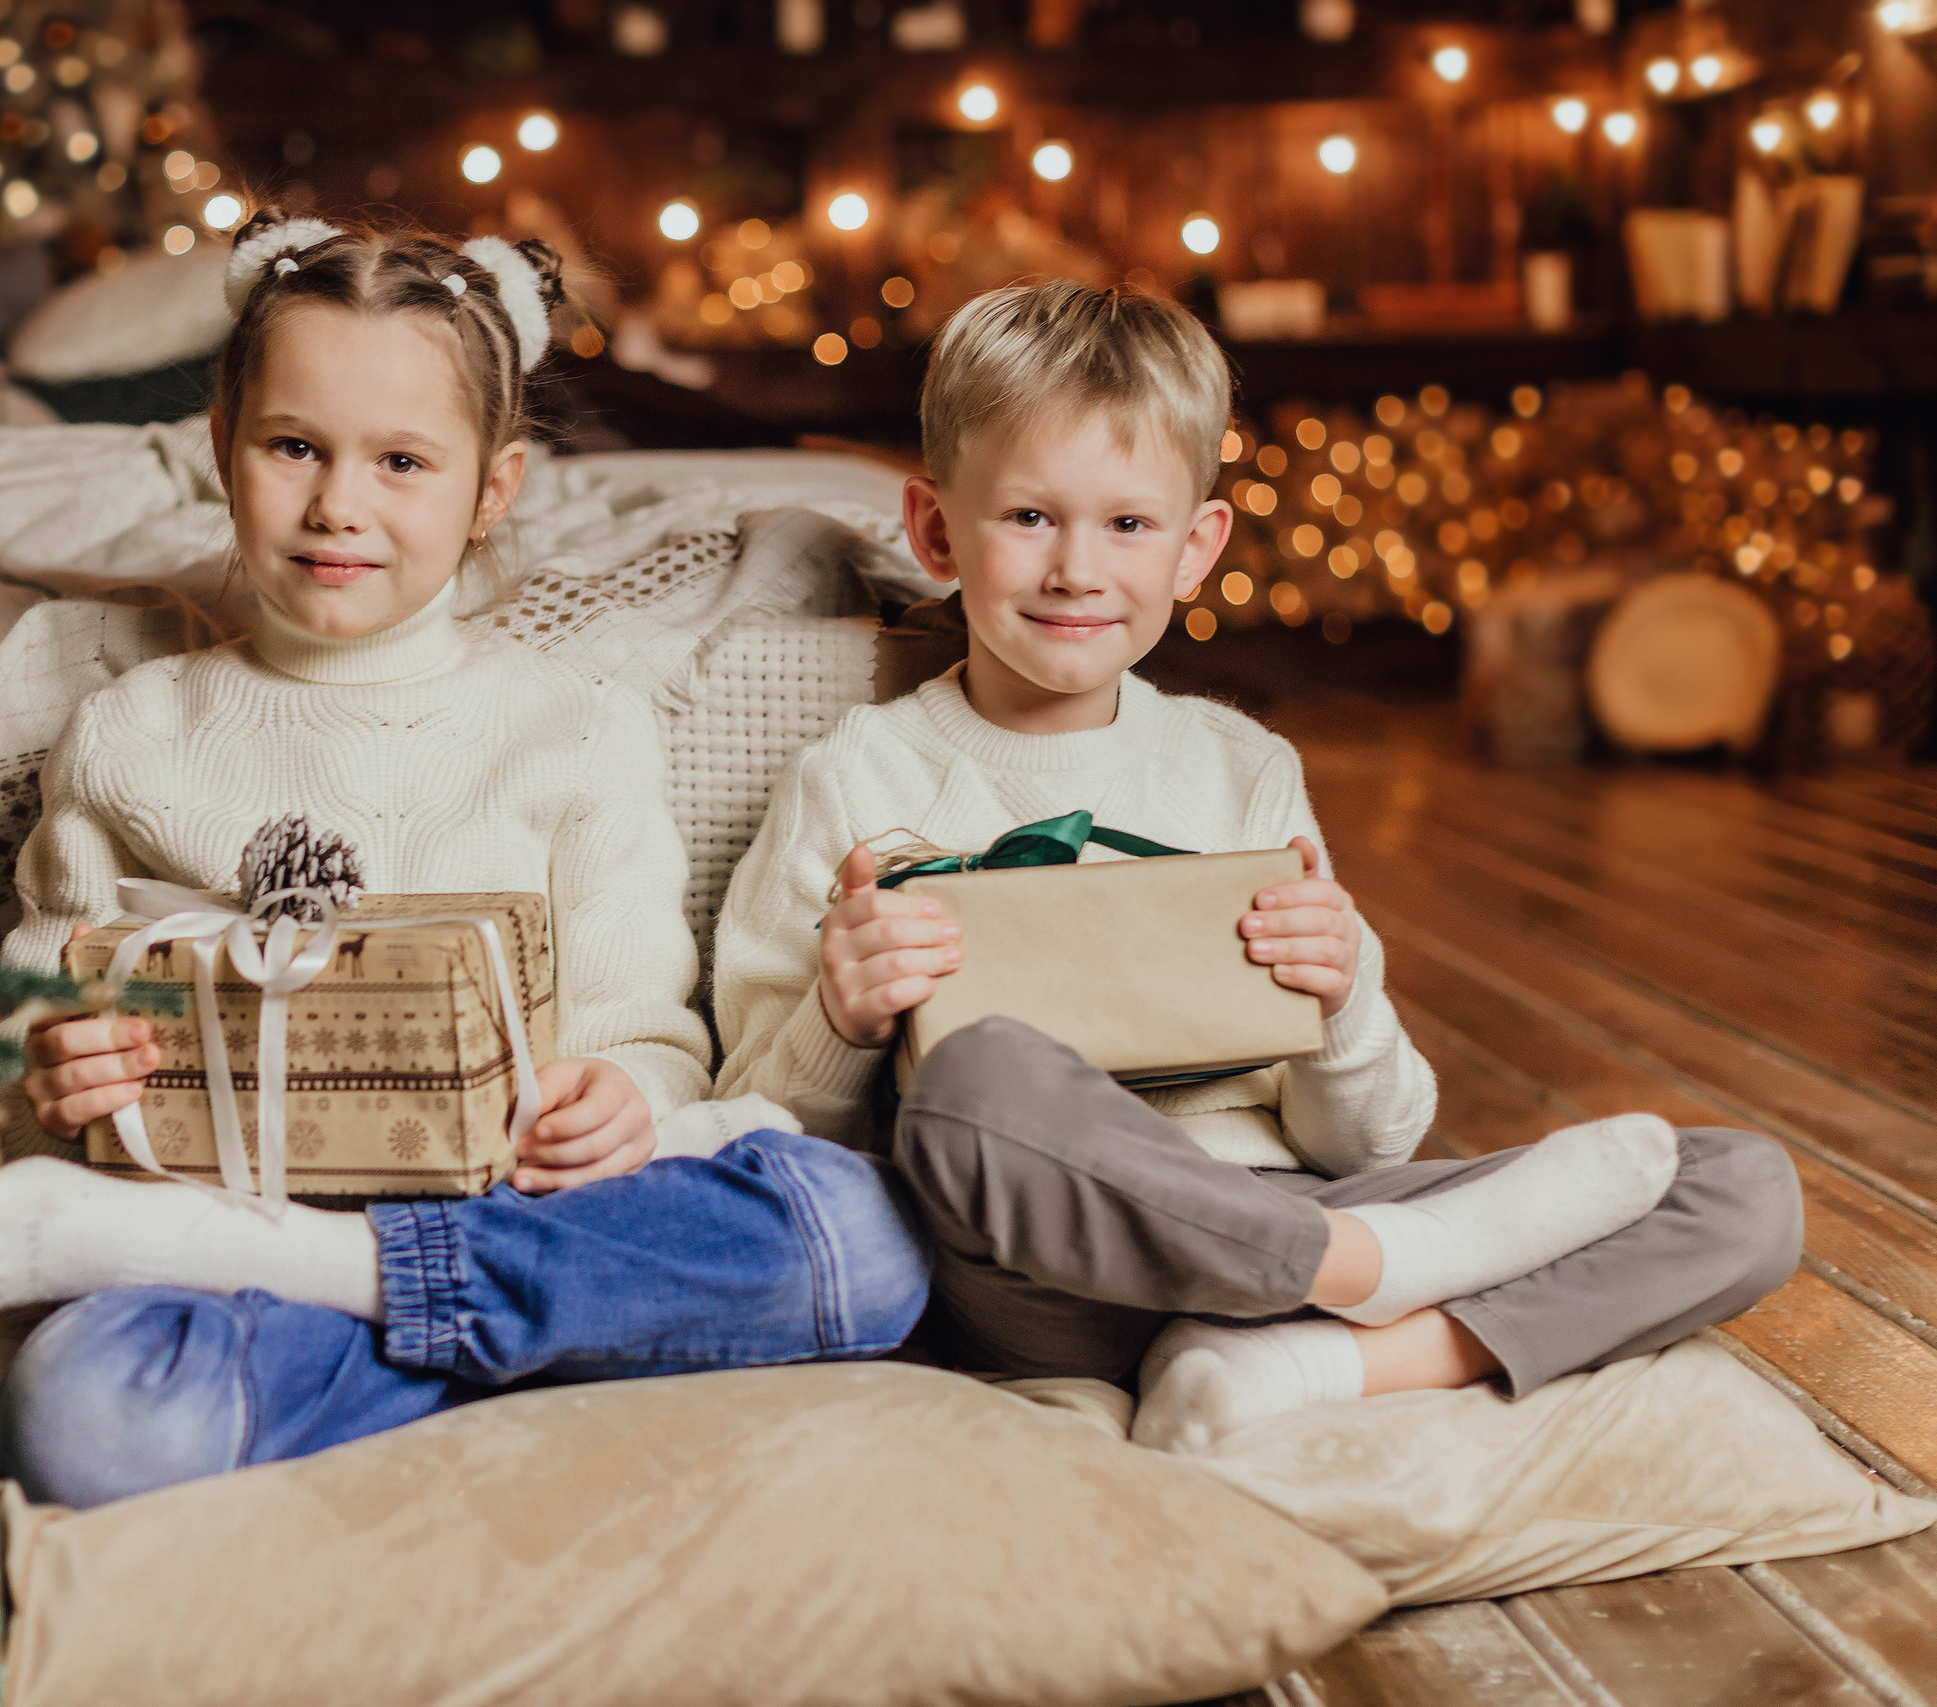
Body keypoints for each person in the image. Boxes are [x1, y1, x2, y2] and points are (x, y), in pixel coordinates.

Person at [710, 280, 1801, 1453]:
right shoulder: (859, 777)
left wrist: (1340, 1006)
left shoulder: (1239, 768)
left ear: (1197, 549)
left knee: (1739, 1188)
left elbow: (1366, 1144)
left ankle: (1304, 1361)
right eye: (1028, 517)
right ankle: (1362, 1279)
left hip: (1291, 1210)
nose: (1078, 568)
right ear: (935, 532)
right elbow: (749, 1133)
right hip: (1049, 1285)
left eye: (1128, 526)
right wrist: (841, 1016)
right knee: (979, 1081)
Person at [0, 212, 928, 1507]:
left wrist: (620, 1096)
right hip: (239, 1254)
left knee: (861, 1234)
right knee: (86, 1411)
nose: (337, 503)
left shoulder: (573, 725)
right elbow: (41, 1033)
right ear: (222, 453)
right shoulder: (133, 733)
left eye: (401, 460)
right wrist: (64, 1072)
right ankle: (525, 1352)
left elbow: (642, 1026)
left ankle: (387, 1303)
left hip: (518, 1215)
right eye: (293, 446)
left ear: (493, 487)